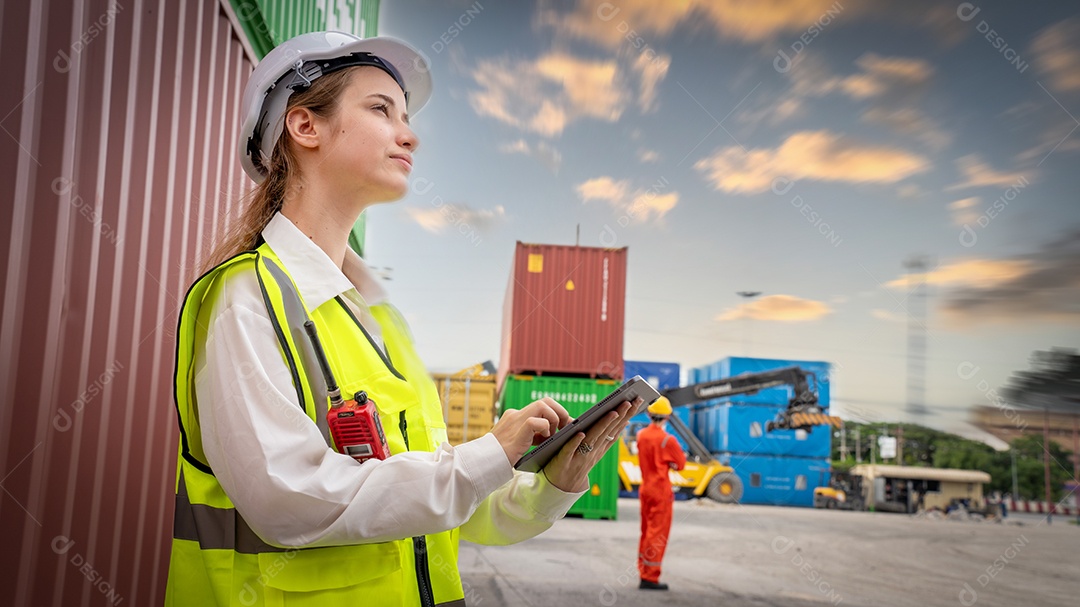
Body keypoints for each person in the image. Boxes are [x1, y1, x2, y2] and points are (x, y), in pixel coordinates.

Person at [165, 31, 638, 606]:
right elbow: (289, 503)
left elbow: (441, 513)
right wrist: (487, 453)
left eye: (406, 116)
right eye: (380, 109)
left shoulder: (382, 322)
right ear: (305, 126)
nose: (409, 135)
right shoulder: (246, 299)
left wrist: (549, 483)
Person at [635, 397, 686, 591]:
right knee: (658, 534)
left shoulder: (641, 436)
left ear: (649, 414)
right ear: (667, 416)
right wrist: (670, 463)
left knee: (646, 532)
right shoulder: (667, 440)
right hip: (660, 491)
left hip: (645, 488)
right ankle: (650, 577)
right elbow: (680, 464)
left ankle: (643, 570)